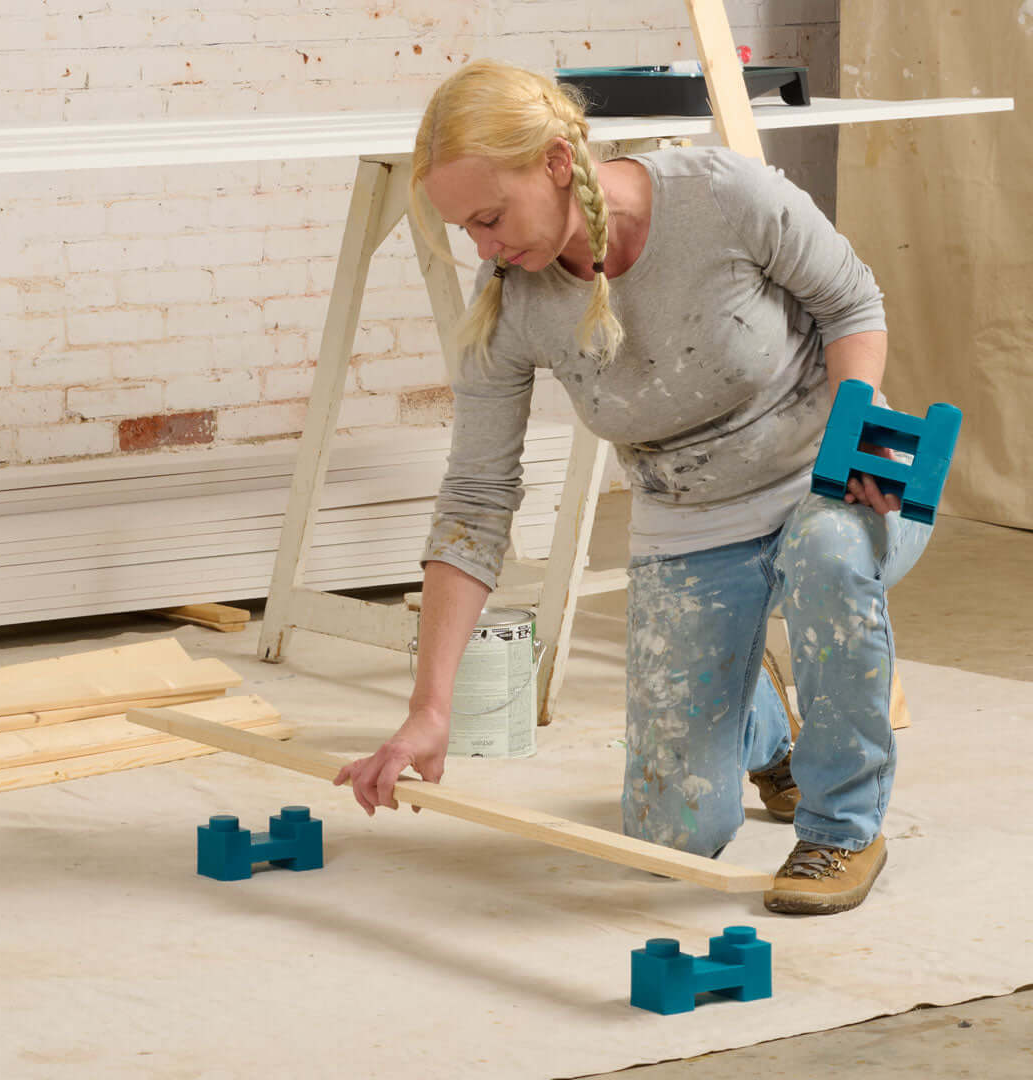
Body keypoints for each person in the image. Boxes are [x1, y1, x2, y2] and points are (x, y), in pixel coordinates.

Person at [333, 59, 934, 915]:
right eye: (466, 230)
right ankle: (762, 728)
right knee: (667, 838)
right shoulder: (509, 302)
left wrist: (857, 429)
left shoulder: (722, 194)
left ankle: (843, 829)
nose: (486, 248)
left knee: (827, 551)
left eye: (490, 218)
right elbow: (475, 500)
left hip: (837, 476)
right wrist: (428, 709)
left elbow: (852, 303)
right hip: (691, 517)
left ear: (552, 161)